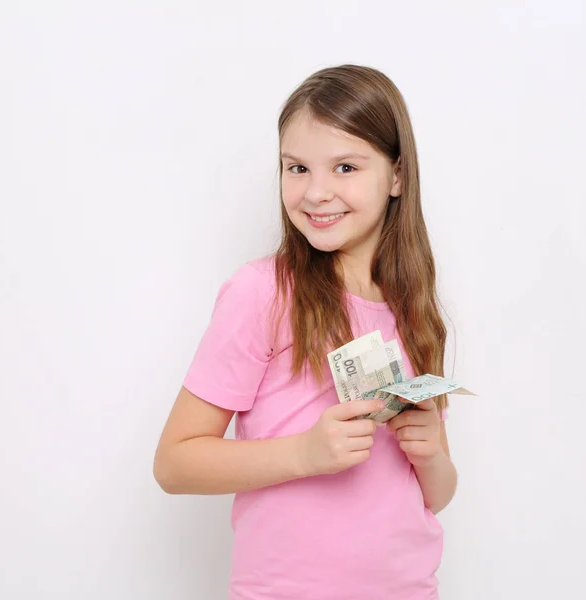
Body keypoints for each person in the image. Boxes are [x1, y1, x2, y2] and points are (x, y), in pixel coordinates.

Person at [153, 63, 457, 600]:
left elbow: (435, 496)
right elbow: (175, 463)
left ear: (397, 176)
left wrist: (432, 455)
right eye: (296, 169)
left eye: (344, 167)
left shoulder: (415, 308)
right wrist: (304, 454)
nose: (317, 192)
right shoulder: (263, 293)